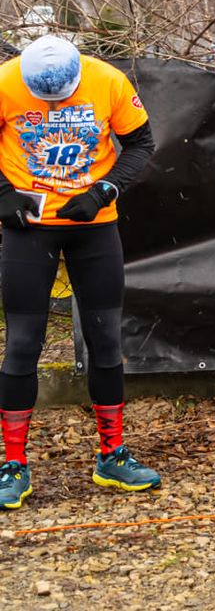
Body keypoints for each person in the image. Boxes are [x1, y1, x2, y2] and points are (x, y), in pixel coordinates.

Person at [0, 35, 160, 510]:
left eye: (61, 97)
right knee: (24, 341)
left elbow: (140, 143)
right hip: (29, 229)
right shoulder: (4, 81)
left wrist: (105, 190)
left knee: (105, 337)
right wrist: (2, 195)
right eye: (42, 98)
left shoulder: (107, 80)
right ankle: (13, 465)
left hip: (93, 225)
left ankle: (112, 455)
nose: (52, 103)